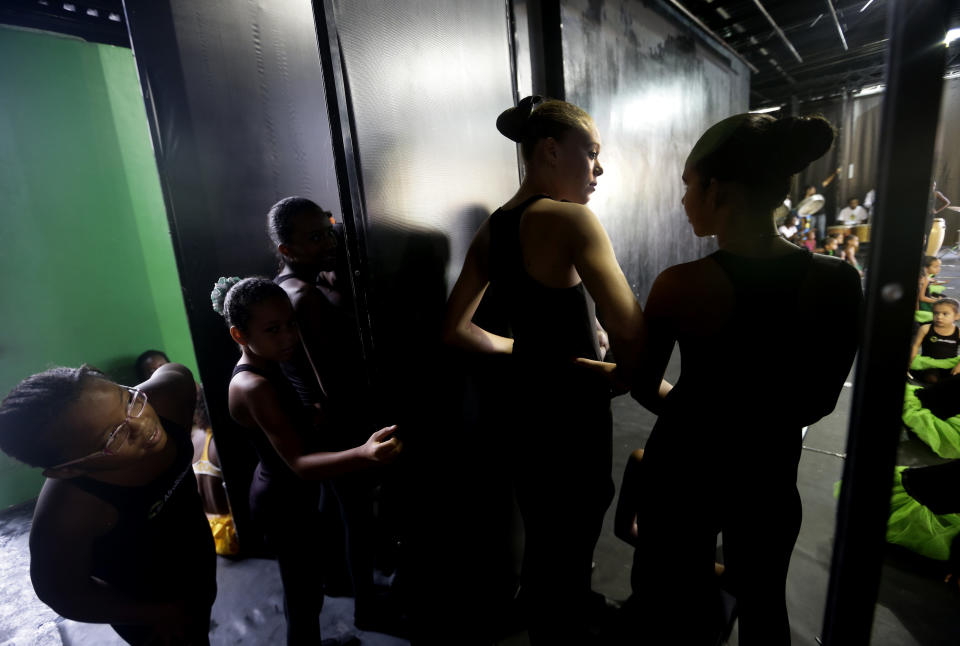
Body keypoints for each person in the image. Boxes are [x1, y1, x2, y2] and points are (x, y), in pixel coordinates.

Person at [607, 113, 861, 645]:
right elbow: (819, 402)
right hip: (768, 469)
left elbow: (642, 384)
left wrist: (702, 415)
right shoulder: (837, 281)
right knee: (764, 604)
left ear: (717, 189)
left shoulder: (679, 284)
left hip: (685, 465)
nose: (683, 201)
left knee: (668, 605)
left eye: (687, 186)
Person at [442, 95, 644, 644]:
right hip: (573, 416)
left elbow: (454, 330)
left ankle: (558, 607)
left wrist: (529, 353)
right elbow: (630, 331)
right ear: (551, 150)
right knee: (574, 528)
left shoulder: (493, 229)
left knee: (543, 526)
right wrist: (616, 372)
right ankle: (563, 621)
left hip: (522, 411)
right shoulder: (572, 219)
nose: (598, 169)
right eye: (591, 153)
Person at [211, 276, 402, 645]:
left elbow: (281, 429)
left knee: (307, 590)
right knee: (303, 598)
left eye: (290, 324)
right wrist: (364, 453)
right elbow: (298, 462)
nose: (288, 337)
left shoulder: (266, 364)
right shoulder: (255, 385)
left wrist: (307, 414)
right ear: (239, 334)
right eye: (273, 329)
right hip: (281, 501)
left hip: (291, 494)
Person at [0, 363, 216, 644]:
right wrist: (155, 614)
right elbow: (61, 593)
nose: (143, 424)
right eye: (114, 436)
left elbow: (177, 372)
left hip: (197, 555)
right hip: (148, 602)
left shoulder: (168, 395)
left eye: (128, 401)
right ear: (67, 470)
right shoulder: (70, 514)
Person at [910, 298, 960, 384]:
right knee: (931, 378)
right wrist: (911, 359)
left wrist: (959, 366)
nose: (939, 317)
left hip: (949, 363)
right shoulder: (925, 328)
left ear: (956, 316)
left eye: (945, 314)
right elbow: (915, 345)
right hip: (928, 364)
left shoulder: (958, 332)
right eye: (936, 313)